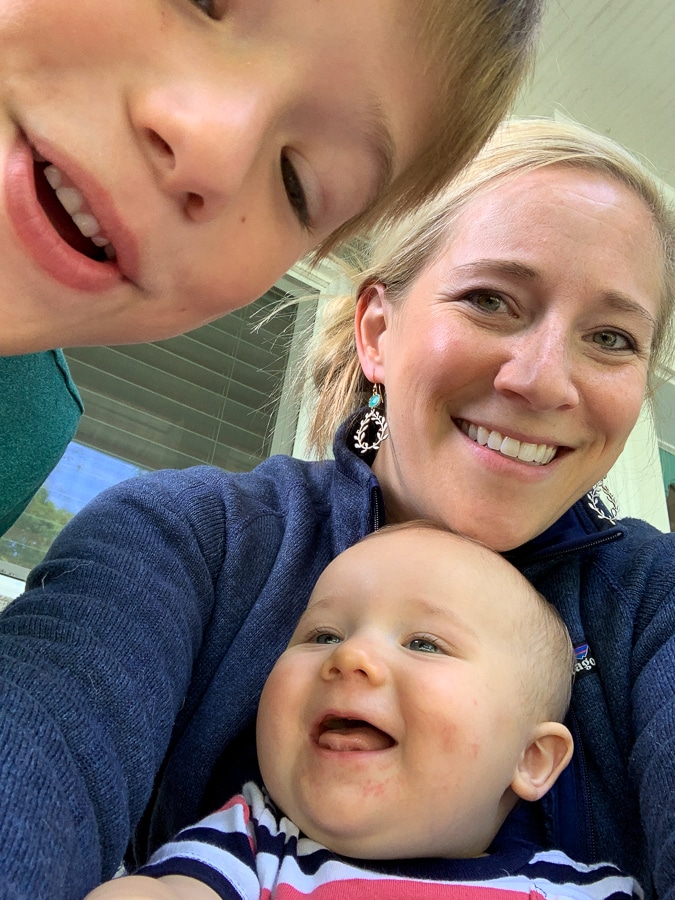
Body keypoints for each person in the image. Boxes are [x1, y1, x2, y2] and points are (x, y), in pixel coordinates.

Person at [1, 116, 673, 899]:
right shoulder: (190, 540)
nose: (543, 381)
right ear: (377, 331)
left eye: (611, 338)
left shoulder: (655, 600)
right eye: (490, 300)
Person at [0, 0, 543, 534]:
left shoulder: (28, 426)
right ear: (375, 328)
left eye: (295, 183)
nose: (215, 154)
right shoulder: (187, 531)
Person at [85, 524, 638, 900]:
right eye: (324, 635)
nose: (351, 656)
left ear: (533, 758)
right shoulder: (248, 850)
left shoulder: (581, 891)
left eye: (424, 643)